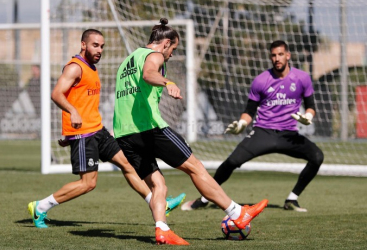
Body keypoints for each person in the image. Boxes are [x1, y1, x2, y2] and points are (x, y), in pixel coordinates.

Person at [113, 18, 268, 246]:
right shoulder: (154, 56)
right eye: (173, 49)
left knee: (158, 185)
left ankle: (162, 229)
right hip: (148, 128)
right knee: (195, 167)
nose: (172, 55)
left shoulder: (128, 59)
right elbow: (148, 74)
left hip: (124, 134)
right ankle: (236, 213)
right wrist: (167, 82)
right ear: (165, 43)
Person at [27, 29, 186, 229]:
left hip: (97, 130)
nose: (99, 50)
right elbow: (57, 94)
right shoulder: (75, 67)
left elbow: (81, 100)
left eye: (102, 46)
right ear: (83, 44)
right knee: (88, 183)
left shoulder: (91, 68)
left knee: (128, 165)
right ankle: (41, 207)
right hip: (83, 134)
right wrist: (72, 117)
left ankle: (155, 201)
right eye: (95, 45)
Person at [181, 40, 324, 213]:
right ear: (270, 57)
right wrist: (241, 124)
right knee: (231, 162)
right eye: (273, 55)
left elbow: (311, 106)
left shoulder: (302, 78)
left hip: (289, 135)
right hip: (263, 132)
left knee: (317, 157)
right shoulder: (261, 80)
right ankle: (204, 199)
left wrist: (308, 116)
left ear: (288, 55)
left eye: (280, 54)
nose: (277, 58)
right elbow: (249, 111)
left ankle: (292, 199)